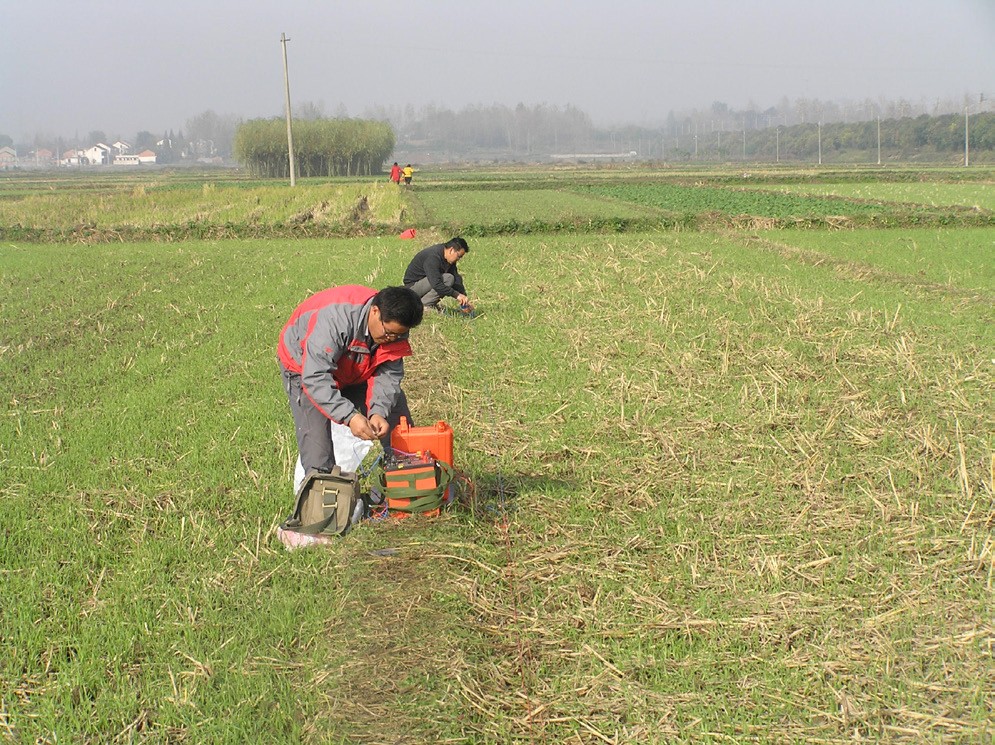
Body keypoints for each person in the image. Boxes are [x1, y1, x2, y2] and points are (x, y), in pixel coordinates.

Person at [276, 285, 424, 478]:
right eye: (388, 333)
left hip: (355, 366)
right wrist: (350, 416)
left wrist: (379, 411)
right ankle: (322, 496)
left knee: (396, 416)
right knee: (317, 445)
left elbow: (388, 376)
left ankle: (406, 478)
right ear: (375, 311)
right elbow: (315, 377)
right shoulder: (335, 321)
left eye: (399, 334)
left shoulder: (395, 332)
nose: (392, 339)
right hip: (304, 367)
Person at [402, 237, 474, 313]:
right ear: (451, 250)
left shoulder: (447, 257)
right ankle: (424, 306)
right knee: (448, 278)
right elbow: (436, 284)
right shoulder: (433, 257)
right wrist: (457, 295)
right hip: (411, 290)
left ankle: (428, 304)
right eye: (459, 256)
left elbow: (456, 277)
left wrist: (464, 298)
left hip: (423, 285)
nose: (458, 259)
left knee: (450, 277)